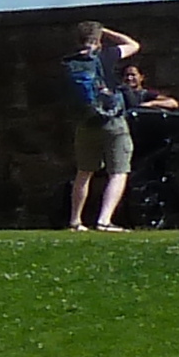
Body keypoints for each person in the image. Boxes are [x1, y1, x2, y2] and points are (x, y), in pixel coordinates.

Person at [64, 21, 140, 231]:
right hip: (112, 121)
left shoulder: (71, 62)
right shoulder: (106, 56)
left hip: (85, 122)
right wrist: (106, 32)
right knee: (118, 171)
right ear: (98, 40)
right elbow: (133, 45)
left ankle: (75, 221)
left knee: (84, 172)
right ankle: (104, 220)